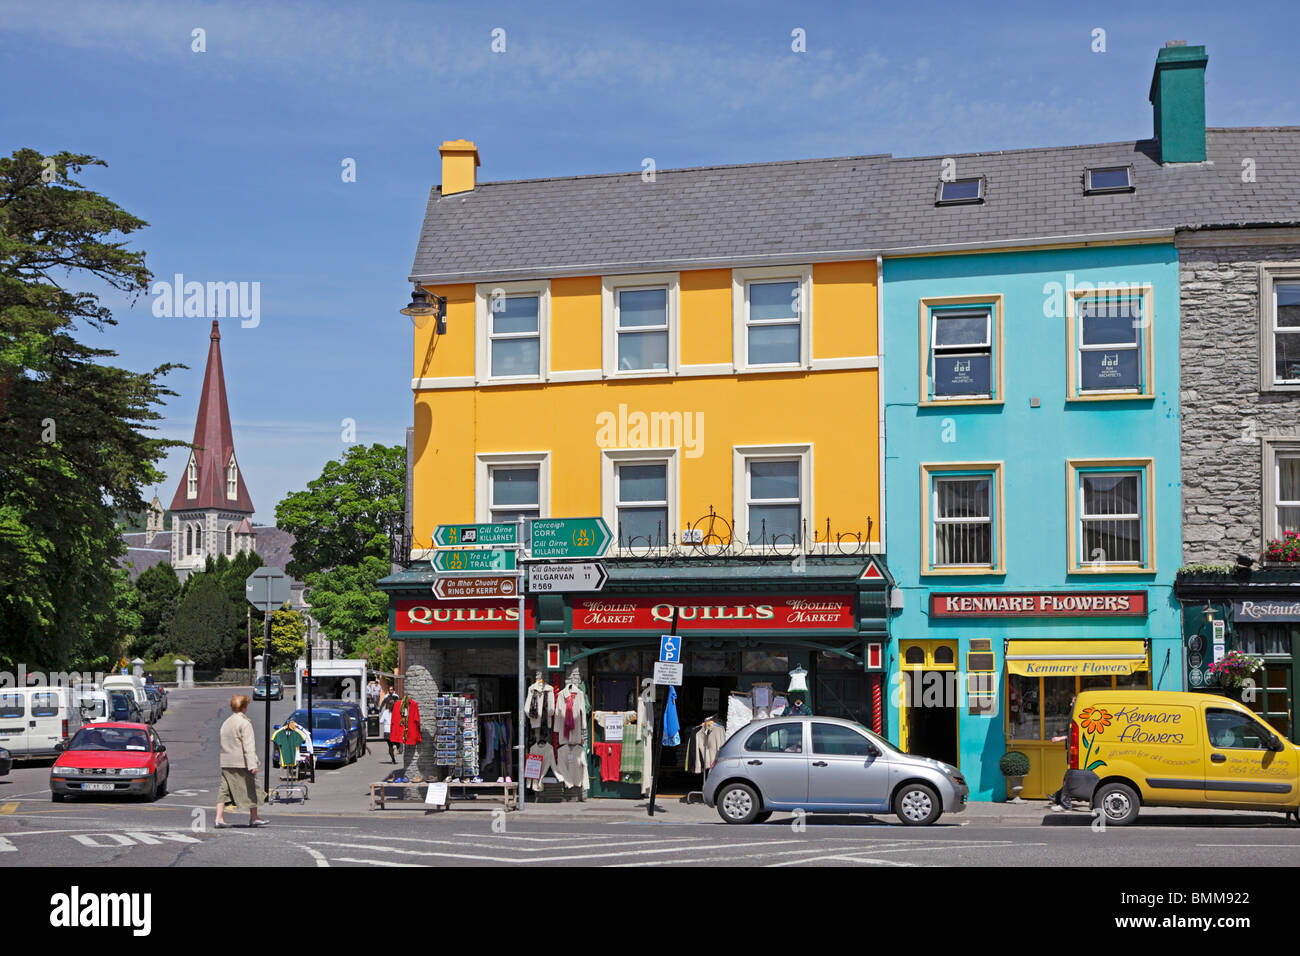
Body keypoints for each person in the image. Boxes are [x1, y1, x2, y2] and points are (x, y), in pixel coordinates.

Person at [216, 694, 266, 828]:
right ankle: (254, 817)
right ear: (244, 707)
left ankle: (219, 818)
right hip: (241, 762)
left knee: (224, 790)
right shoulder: (244, 723)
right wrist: (252, 765)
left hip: (226, 762)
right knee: (252, 788)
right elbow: (248, 746)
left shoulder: (226, 723)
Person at [1049, 695, 1078, 812]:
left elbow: (1075, 734)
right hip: (1074, 751)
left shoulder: (1077, 716)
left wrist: (1060, 738)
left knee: (1069, 777)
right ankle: (1058, 797)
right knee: (1069, 776)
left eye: (1072, 702)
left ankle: (1065, 804)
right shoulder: (1076, 716)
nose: (1070, 705)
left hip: (1075, 752)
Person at [380, 689, 400, 762]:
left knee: (390, 746)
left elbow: (381, 721)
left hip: (387, 731)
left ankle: (393, 760)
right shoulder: (396, 711)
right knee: (398, 744)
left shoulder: (385, 712)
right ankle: (396, 747)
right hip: (394, 730)